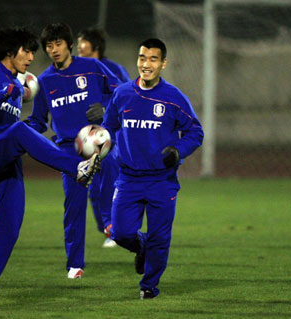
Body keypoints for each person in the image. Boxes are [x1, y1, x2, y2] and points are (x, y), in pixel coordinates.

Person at [0, 25, 100, 311]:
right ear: (12, 51)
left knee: (8, 230)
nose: (32, 58)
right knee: (20, 131)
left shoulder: (16, 86)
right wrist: (2, 93)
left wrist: (13, 93)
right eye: (28, 51)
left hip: (5, 162)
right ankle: (77, 168)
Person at [102, 38, 204, 299]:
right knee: (121, 233)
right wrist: (101, 145)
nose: (146, 64)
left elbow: (195, 132)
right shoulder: (123, 93)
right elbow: (109, 127)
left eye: (153, 59)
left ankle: (149, 286)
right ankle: (141, 245)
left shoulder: (173, 98)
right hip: (128, 179)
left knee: (160, 238)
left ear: (163, 63)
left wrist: (178, 151)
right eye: (142, 58)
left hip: (162, 180)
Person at [27, 23, 121, 279]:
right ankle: (75, 264)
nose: (53, 49)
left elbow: (121, 92)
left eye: (58, 44)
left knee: (111, 166)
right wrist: (20, 131)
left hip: (98, 140)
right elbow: (38, 120)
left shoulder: (91, 67)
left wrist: (104, 107)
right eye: (48, 45)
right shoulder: (45, 81)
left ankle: (111, 221)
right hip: (69, 149)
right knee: (74, 204)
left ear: (69, 45)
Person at [77, 27, 131, 247]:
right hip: (87, 140)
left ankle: (114, 229)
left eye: (84, 47)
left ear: (96, 48)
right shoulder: (76, 71)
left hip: (112, 139)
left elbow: (129, 98)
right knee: (93, 188)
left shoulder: (113, 69)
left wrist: (106, 108)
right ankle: (108, 229)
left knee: (109, 182)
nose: (79, 51)